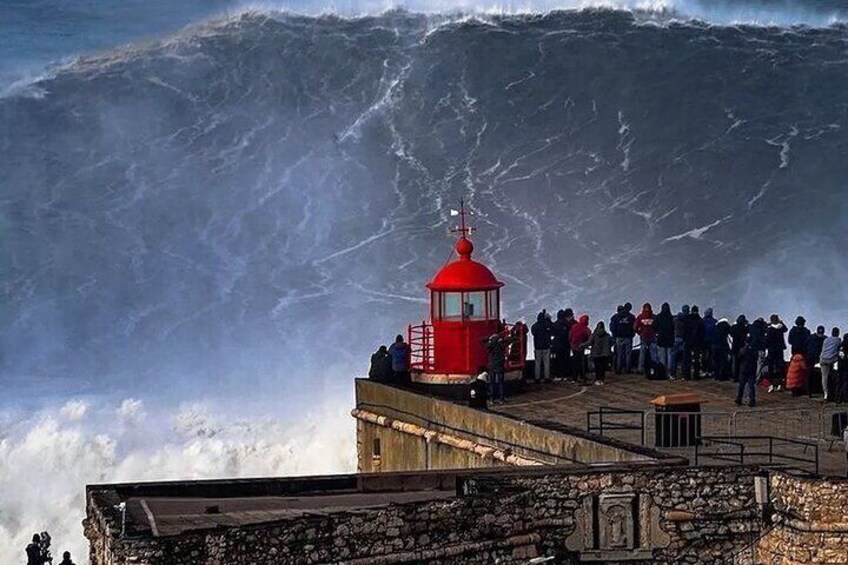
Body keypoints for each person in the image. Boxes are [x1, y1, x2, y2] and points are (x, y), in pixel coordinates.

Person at [484, 333, 513, 403]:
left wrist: (489, 339)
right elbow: (510, 341)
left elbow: (482, 341)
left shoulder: (490, 345)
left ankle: (492, 399)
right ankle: (501, 399)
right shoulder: (501, 344)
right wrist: (502, 339)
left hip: (492, 366)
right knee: (501, 383)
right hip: (500, 365)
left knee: (492, 383)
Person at [765, 315, 788, 392]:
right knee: (780, 366)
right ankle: (779, 384)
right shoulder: (781, 328)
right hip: (779, 349)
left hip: (771, 350)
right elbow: (786, 329)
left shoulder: (769, 329)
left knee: (770, 367)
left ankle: (771, 385)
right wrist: (781, 322)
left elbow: (767, 339)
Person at [682, 305, 705, 380]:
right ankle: (696, 375)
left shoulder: (687, 319)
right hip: (697, 342)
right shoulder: (700, 320)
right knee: (696, 359)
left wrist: (685, 339)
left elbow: (684, 331)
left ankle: (687, 375)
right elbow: (702, 333)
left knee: (687, 359)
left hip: (688, 341)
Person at [634, 303, 657, 376]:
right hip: (652, 337)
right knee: (653, 354)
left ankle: (640, 369)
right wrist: (655, 333)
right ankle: (655, 367)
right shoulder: (653, 317)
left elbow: (635, 327)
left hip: (643, 337)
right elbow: (657, 326)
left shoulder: (640, 317)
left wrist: (640, 333)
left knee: (642, 354)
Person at [735, 337, 758, 408]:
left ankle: (739, 398)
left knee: (741, 385)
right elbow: (756, 358)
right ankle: (752, 400)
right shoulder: (754, 350)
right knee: (751, 386)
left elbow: (739, 358)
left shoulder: (742, 350)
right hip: (752, 369)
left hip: (743, 369)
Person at [531, 311, 553, 383]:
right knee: (546, 363)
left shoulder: (534, 326)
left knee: (537, 363)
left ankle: (537, 378)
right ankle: (547, 378)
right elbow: (553, 329)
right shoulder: (547, 325)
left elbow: (533, 333)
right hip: (546, 346)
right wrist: (549, 319)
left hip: (537, 347)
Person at [820, 327, 841, 402]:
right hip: (832, 359)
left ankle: (826, 393)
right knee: (833, 374)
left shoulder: (826, 339)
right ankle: (834, 391)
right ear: (838, 333)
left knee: (824, 377)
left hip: (823, 359)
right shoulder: (838, 340)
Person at [655, 303, 676, 380]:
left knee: (662, 358)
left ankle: (663, 373)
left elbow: (655, 327)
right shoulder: (671, 318)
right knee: (670, 357)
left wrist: (658, 333)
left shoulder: (658, 317)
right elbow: (674, 328)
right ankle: (670, 373)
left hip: (661, 339)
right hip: (670, 339)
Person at [569, 314, 592, 383]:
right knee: (581, 362)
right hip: (580, 347)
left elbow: (570, 336)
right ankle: (582, 376)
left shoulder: (574, 326)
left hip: (573, 346)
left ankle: (574, 377)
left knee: (575, 362)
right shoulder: (586, 329)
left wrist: (571, 343)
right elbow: (589, 339)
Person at [615, 303, 636, 374]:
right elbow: (634, 327)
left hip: (619, 337)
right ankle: (627, 369)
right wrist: (632, 334)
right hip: (628, 337)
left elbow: (612, 327)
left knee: (619, 354)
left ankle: (618, 369)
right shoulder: (631, 317)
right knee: (628, 354)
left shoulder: (616, 317)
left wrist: (615, 335)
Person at [551, 310, 572, 381]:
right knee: (566, 360)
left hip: (557, 345)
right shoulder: (567, 324)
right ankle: (565, 375)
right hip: (566, 345)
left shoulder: (555, 324)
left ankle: (559, 375)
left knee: (558, 361)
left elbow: (552, 333)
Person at [730, 315, 749, 383]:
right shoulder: (744, 327)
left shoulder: (734, 327)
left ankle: (735, 377)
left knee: (735, 363)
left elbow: (731, 333)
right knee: (742, 363)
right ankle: (741, 377)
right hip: (742, 346)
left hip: (735, 346)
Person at [749, 317, 768, 381]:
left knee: (752, 363)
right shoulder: (763, 328)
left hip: (753, 347)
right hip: (761, 347)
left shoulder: (752, 327)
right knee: (759, 363)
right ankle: (757, 378)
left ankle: (751, 377)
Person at [673, 305, 689, 377]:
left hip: (676, 338)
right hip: (685, 339)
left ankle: (673, 372)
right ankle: (684, 373)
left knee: (674, 356)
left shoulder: (676, 319)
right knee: (684, 357)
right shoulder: (688, 319)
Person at [702, 308, 717, 376]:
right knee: (711, 356)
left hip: (704, 340)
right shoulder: (714, 321)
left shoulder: (702, 321)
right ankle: (710, 370)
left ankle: (704, 370)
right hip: (712, 341)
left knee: (704, 356)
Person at [610, 305, 624, 372]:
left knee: (617, 354)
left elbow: (612, 328)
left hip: (616, 337)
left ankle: (616, 368)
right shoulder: (625, 317)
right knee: (619, 354)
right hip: (618, 337)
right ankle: (618, 367)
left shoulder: (614, 318)